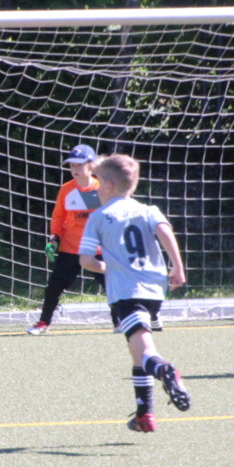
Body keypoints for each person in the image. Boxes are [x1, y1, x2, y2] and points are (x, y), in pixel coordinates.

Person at [78, 155, 190, 433]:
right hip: (155, 290)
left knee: (146, 353)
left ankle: (164, 370)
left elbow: (86, 260)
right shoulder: (148, 209)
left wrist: (108, 267)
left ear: (108, 185)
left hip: (126, 293)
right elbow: (164, 231)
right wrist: (177, 266)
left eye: (97, 182)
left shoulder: (99, 216)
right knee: (137, 350)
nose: (95, 188)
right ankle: (144, 415)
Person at [27, 144, 105, 335]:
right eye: (72, 165)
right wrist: (53, 239)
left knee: (114, 286)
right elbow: (58, 217)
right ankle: (43, 322)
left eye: (79, 165)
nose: (75, 169)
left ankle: (121, 321)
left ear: (91, 166)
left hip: (98, 249)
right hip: (70, 248)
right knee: (54, 286)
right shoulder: (66, 189)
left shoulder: (103, 188)